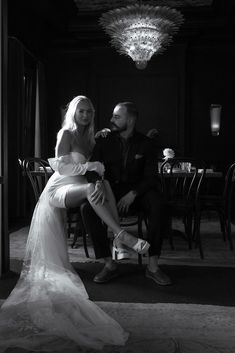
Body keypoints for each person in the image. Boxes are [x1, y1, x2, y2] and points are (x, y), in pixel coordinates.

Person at [0, 96, 150, 352]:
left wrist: (98, 157)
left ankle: (119, 237)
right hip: (58, 191)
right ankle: (120, 236)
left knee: (101, 186)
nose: (86, 115)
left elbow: (96, 167)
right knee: (95, 185)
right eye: (81, 111)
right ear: (73, 112)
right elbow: (61, 167)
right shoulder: (66, 133)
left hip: (80, 187)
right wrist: (91, 164)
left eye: (90, 111)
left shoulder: (91, 137)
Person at [82, 102, 172, 286]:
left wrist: (133, 193)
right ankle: (109, 264)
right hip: (110, 190)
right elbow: (91, 169)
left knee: (159, 205)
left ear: (130, 119)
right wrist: (97, 182)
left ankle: (153, 267)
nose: (111, 120)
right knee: (87, 208)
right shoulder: (104, 140)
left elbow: (151, 177)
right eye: (113, 116)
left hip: (138, 192)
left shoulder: (146, 144)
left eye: (116, 116)